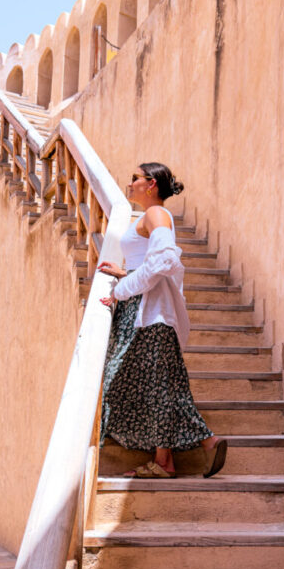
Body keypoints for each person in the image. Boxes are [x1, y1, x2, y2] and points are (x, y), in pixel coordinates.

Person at [98, 162, 227, 478]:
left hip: (150, 315)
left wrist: (121, 290)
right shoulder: (148, 217)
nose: (130, 183)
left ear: (151, 184)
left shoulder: (156, 214)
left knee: (150, 386)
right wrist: (125, 273)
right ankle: (169, 458)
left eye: (135, 178)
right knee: (157, 386)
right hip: (147, 313)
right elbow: (150, 262)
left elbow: (164, 260)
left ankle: (202, 442)